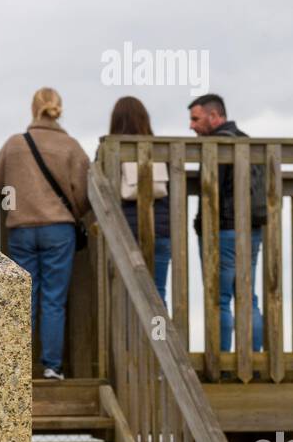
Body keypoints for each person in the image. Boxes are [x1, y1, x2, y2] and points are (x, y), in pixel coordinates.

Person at [0, 88, 89, 379]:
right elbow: (82, 193)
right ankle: (51, 366)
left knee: (24, 298)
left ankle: (18, 366)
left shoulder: (15, 144)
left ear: (33, 109)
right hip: (58, 228)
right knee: (53, 298)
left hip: (21, 228)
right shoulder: (70, 146)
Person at [188, 92, 266, 356]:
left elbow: (211, 189)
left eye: (195, 119)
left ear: (214, 116)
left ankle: (220, 359)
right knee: (249, 298)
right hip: (253, 231)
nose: (191, 126)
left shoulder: (217, 147)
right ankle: (254, 359)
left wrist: (201, 226)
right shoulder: (247, 142)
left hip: (223, 231)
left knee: (220, 299)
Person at [108, 96, 170, 304]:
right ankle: (159, 337)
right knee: (158, 292)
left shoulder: (109, 151)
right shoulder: (162, 151)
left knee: (125, 294)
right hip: (160, 231)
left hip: (125, 231)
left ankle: (128, 338)